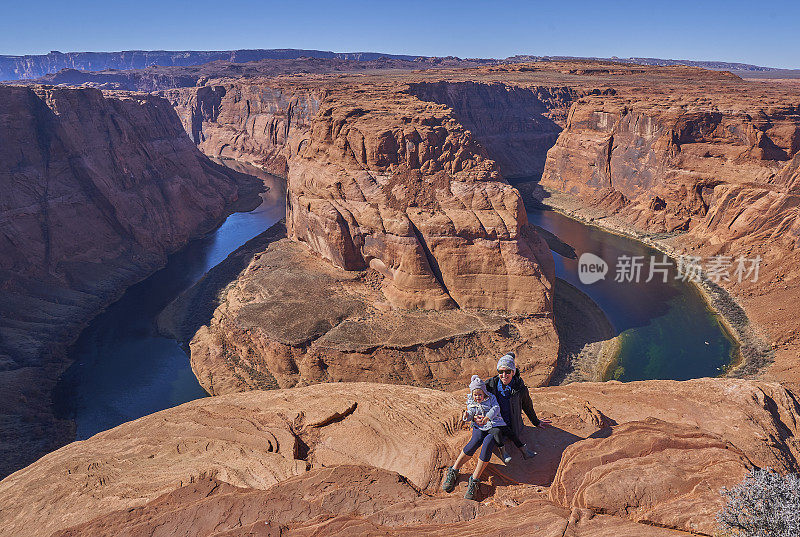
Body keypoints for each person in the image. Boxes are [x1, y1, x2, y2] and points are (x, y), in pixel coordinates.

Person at [442, 375, 506, 500]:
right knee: (475, 441)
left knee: (487, 443)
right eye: (475, 394)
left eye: (479, 394)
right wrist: (468, 416)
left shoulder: (491, 398)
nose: (477, 397)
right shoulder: (471, 400)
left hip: (493, 425)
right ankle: (454, 470)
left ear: (484, 392)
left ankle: (475, 480)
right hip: (479, 426)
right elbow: (471, 412)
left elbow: (496, 408)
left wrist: (488, 416)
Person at [485, 352, 541, 463]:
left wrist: (536, 422)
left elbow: (527, 405)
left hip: (512, 426)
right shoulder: (490, 385)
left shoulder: (520, 388)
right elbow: (476, 399)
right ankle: (473, 476)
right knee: (488, 442)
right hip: (496, 425)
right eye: (501, 372)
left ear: (513, 372)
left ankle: (524, 452)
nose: (504, 375)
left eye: (507, 372)